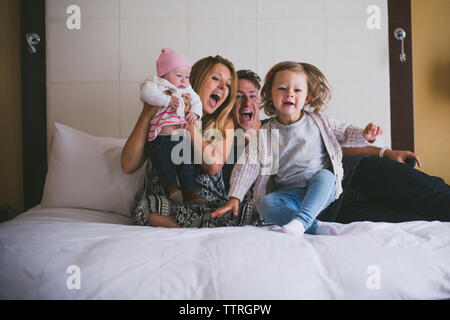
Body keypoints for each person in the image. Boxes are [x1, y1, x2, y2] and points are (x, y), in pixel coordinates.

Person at [224, 69, 450, 225]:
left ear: (262, 99)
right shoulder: (231, 147)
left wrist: (385, 152)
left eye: (251, 95)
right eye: (238, 96)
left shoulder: (290, 123)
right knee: (412, 222)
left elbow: (335, 146)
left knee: (433, 195)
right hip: (333, 211)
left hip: (356, 172)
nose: (247, 103)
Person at [212, 61, 383, 237]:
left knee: (326, 176)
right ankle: (312, 226)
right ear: (270, 95)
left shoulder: (319, 122)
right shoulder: (266, 133)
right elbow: (247, 165)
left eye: (297, 90)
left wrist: (365, 135)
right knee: (265, 205)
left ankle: (301, 221)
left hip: (319, 188)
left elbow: (345, 133)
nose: (289, 94)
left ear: (307, 97)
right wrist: (235, 196)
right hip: (287, 195)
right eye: (282, 89)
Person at [122, 55, 259, 228]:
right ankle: (185, 225)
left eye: (228, 84)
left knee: (250, 208)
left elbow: (213, 165)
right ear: (196, 79)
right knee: (146, 208)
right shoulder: (162, 110)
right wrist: (147, 113)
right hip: (164, 201)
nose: (223, 87)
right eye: (216, 78)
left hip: (205, 204)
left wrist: (187, 121)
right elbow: (128, 166)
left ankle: (184, 225)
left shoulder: (224, 122)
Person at [139, 48, 204, 204]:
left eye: (187, 76)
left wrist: (194, 113)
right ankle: (171, 188)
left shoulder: (187, 90)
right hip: (160, 138)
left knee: (186, 165)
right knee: (164, 164)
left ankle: (190, 190)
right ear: (163, 74)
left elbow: (197, 101)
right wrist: (166, 101)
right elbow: (146, 94)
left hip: (180, 136)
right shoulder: (156, 84)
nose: (184, 80)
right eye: (179, 75)